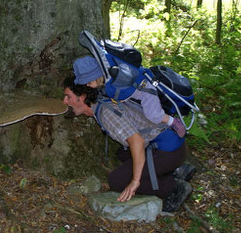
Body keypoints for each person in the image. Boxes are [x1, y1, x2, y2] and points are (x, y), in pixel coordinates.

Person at [62, 60, 194, 212]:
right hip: (173, 144)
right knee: (123, 153)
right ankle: (178, 170)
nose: (65, 101)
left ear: (83, 96)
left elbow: (136, 141)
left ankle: (175, 187)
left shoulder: (105, 112)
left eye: (68, 97)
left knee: (117, 181)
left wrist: (135, 181)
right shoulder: (104, 98)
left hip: (169, 151)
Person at [72, 56, 186, 137]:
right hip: (142, 88)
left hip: (147, 91)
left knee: (153, 115)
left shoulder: (112, 85)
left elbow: (123, 96)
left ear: (96, 77)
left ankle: (173, 122)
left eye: (88, 82)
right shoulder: (110, 75)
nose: (87, 85)